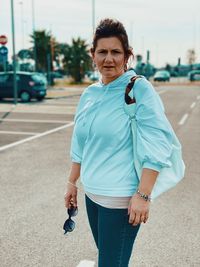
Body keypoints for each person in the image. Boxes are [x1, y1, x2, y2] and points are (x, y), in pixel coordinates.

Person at [64, 18, 174, 267]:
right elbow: (80, 142)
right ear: (93, 55)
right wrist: (72, 182)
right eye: (102, 52)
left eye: (116, 52)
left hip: (120, 201)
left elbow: (158, 144)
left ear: (127, 56)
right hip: (92, 196)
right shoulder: (89, 93)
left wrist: (143, 195)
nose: (108, 59)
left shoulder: (139, 89)